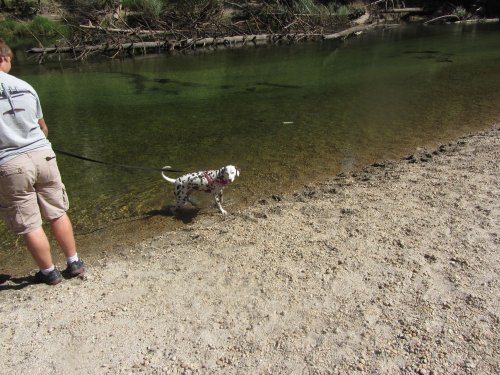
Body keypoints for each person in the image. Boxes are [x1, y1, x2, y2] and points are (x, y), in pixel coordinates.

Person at [0, 39, 84, 285]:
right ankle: (74, 262)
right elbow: (42, 127)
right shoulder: (25, 86)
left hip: (9, 163)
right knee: (57, 211)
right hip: (43, 155)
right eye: (10, 61)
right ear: (3, 58)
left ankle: (49, 272)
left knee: (29, 222)